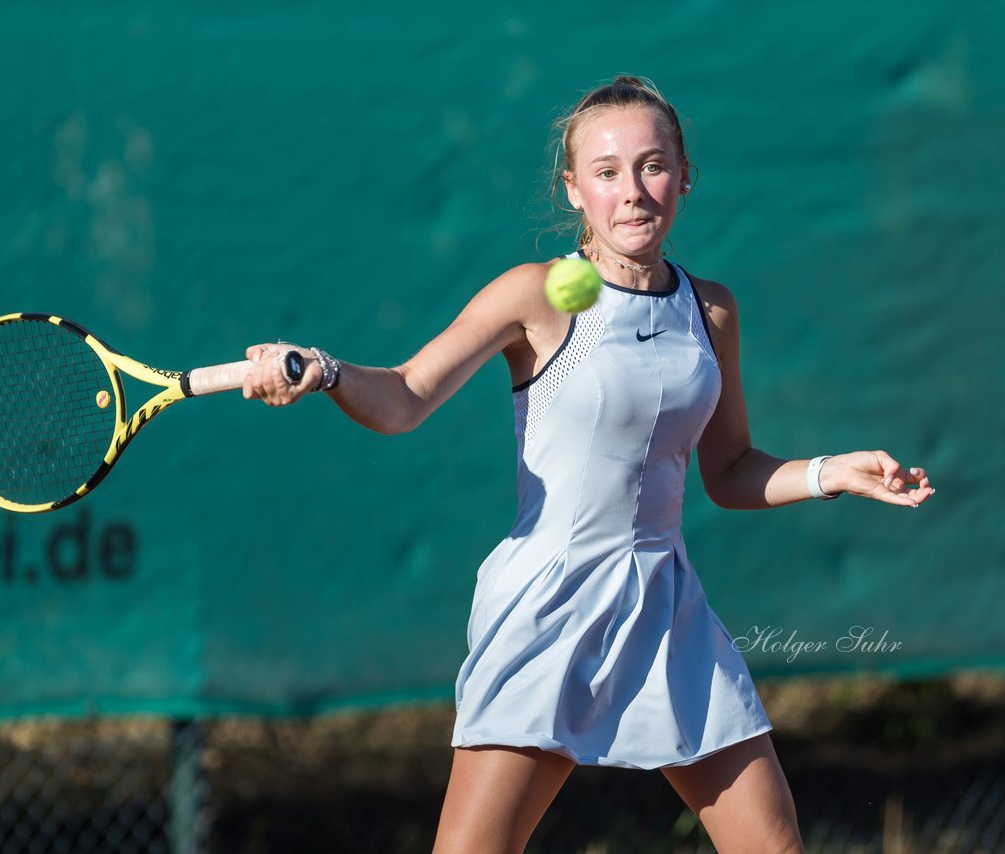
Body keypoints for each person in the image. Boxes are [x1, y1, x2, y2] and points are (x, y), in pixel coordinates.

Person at [241, 75, 935, 853]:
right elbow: (405, 395)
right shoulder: (537, 298)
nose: (634, 192)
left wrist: (827, 472)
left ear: (684, 174)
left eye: (653, 165)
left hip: (668, 606)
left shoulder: (710, 311)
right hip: (551, 606)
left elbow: (730, 468)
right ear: (574, 190)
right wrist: (328, 372)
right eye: (607, 173)